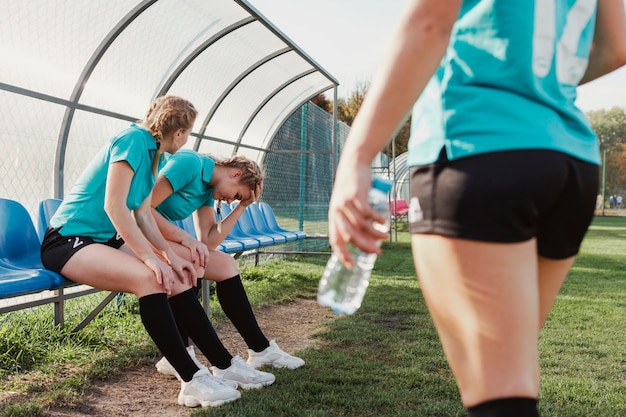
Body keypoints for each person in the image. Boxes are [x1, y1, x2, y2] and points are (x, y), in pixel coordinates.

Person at [327, 1, 626, 416]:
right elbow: (615, 47)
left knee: (501, 397)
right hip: (570, 159)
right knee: (511, 378)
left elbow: (430, 23)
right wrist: (538, 83)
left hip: (476, 146)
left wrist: (357, 157)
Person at [40, 95, 253, 408]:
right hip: (68, 240)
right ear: (179, 133)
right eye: (189, 133)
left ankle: (223, 365)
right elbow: (114, 206)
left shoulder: (153, 154)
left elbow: (142, 214)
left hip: (102, 240)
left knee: (179, 277)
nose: (188, 139)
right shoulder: (133, 140)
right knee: (150, 279)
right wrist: (151, 258)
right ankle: (192, 380)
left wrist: (167, 255)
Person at [148, 149, 305, 379]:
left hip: (158, 239)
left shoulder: (206, 190)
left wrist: (243, 207)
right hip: (135, 234)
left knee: (225, 265)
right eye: (237, 196)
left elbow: (209, 240)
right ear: (235, 173)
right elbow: (142, 208)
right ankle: (182, 354)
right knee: (194, 263)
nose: (231, 201)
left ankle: (259, 349)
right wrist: (184, 240)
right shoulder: (190, 163)